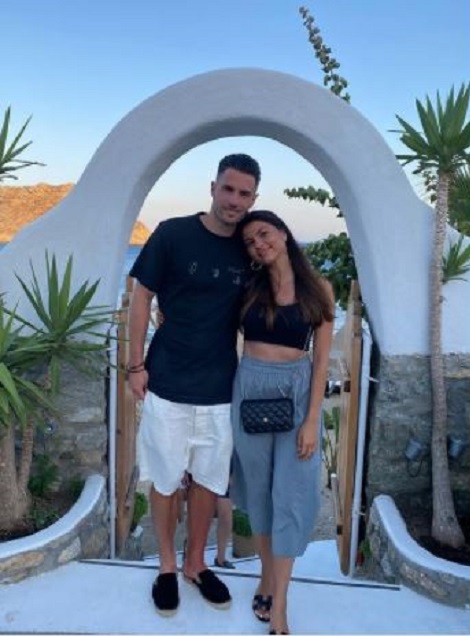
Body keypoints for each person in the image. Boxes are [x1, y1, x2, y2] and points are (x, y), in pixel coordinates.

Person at [127, 154, 260, 617]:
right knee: (165, 480)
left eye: (244, 194)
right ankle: (167, 565)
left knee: (208, 482)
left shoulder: (249, 249)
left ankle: (196, 564)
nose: (234, 200)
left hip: (221, 388)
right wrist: (135, 365)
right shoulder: (172, 234)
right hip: (166, 382)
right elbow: (141, 297)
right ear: (213, 187)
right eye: (229, 189)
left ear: (253, 199)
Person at [231, 210, 335, 635]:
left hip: (297, 393)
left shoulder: (319, 289)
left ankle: (281, 602)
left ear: (283, 233)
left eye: (264, 233)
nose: (259, 244)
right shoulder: (248, 287)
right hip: (249, 389)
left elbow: (322, 361)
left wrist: (311, 420)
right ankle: (265, 577)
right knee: (259, 494)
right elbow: (210, 322)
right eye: (250, 241)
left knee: (291, 494)